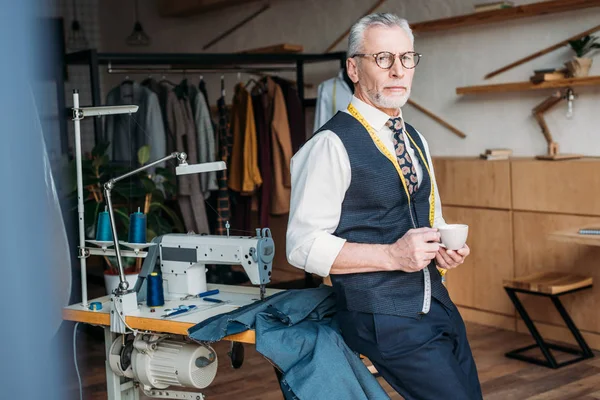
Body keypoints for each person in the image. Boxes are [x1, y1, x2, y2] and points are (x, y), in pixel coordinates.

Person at [286, 13, 483, 400]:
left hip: (437, 304)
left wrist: (444, 249)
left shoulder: (415, 138)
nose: (398, 70)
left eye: (407, 58)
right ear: (354, 69)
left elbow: (430, 214)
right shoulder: (329, 145)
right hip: (381, 317)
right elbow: (301, 245)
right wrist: (393, 254)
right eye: (383, 59)